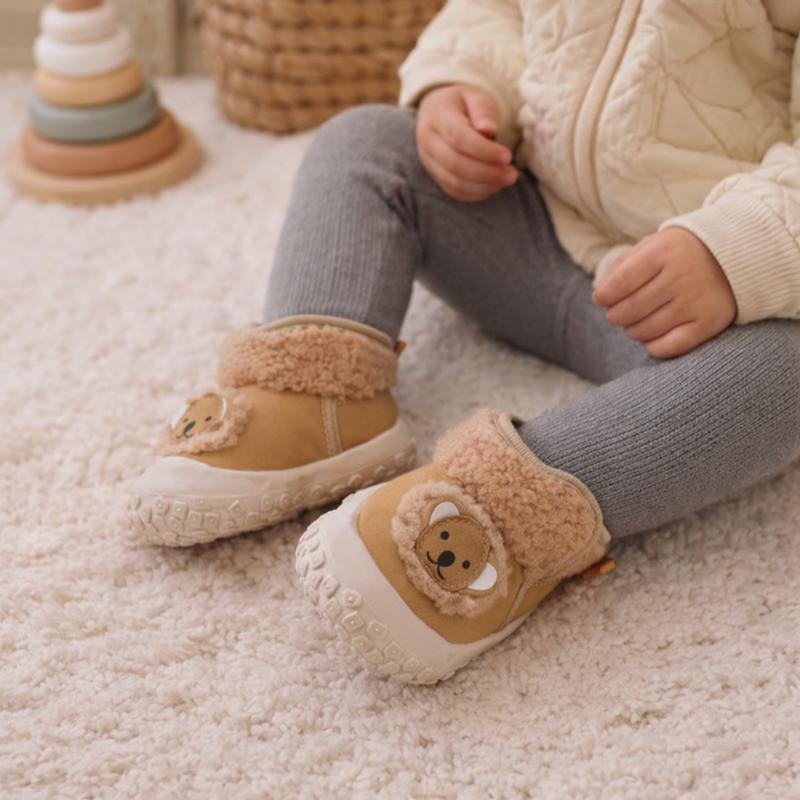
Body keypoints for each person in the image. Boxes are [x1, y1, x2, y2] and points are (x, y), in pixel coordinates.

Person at [130, 1, 800, 683]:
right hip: (527, 220)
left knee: (789, 368)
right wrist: (463, 90)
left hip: (701, 303)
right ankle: (317, 394)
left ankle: (502, 524)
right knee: (367, 140)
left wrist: (734, 250)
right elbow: (496, 12)